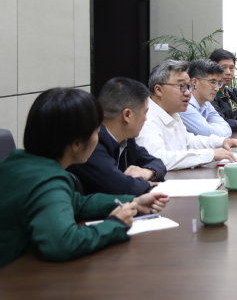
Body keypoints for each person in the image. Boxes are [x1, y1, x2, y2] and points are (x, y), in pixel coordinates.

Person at [0, 88, 169, 268]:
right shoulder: (48, 180)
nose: (98, 138)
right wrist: (115, 225)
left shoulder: (17, 161)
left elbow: (76, 203)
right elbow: (63, 243)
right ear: (76, 143)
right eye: (96, 131)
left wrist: (133, 202)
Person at [136, 59, 237, 170]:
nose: (188, 93)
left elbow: (189, 141)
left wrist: (222, 141)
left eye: (188, 87)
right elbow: (158, 160)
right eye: (181, 86)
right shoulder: (145, 119)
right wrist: (210, 154)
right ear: (159, 90)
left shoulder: (173, 113)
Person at [68, 78, 166, 196]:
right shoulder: (91, 143)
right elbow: (123, 187)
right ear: (127, 115)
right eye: (145, 112)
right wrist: (148, 184)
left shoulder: (126, 139)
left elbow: (157, 162)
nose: (146, 119)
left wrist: (148, 172)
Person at [179, 59, 232, 138]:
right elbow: (207, 133)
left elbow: (228, 130)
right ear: (194, 82)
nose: (217, 89)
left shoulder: (206, 103)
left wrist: (210, 126)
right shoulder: (184, 105)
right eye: (213, 82)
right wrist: (213, 126)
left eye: (219, 83)